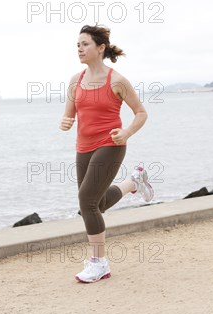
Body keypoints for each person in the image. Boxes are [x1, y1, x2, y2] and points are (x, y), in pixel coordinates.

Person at [59, 24, 154, 283]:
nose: (79, 48)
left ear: (100, 48)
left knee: (86, 201)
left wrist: (126, 133)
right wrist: (65, 122)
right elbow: (69, 115)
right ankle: (134, 182)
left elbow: (141, 113)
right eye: (77, 44)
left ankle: (98, 262)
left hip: (111, 144)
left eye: (85, 44)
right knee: (97, 204)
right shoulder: (75, 81)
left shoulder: (117, 81)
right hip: (84, 147)